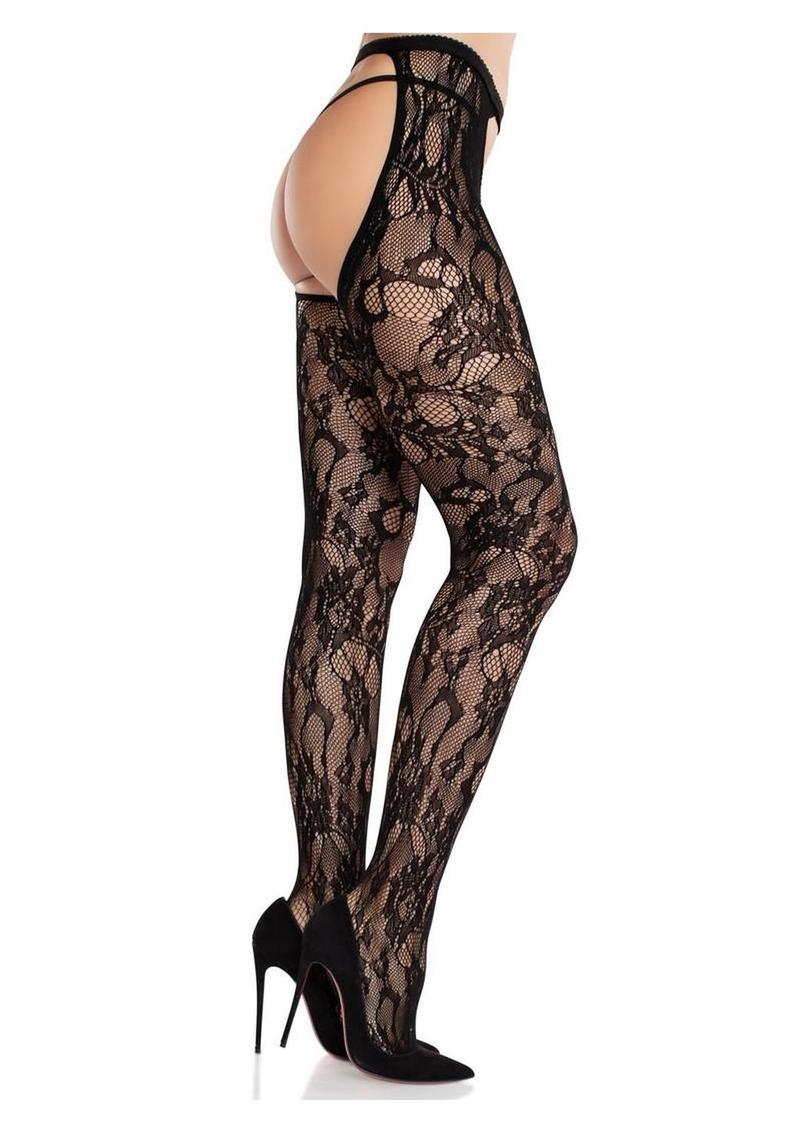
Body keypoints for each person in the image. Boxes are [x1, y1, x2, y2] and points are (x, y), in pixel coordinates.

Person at [253, 33, 577, 1082]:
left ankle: (317, 898)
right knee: (525, 535)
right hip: (411, 147)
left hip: (340, 148)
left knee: (351, 561)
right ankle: (381, 931)